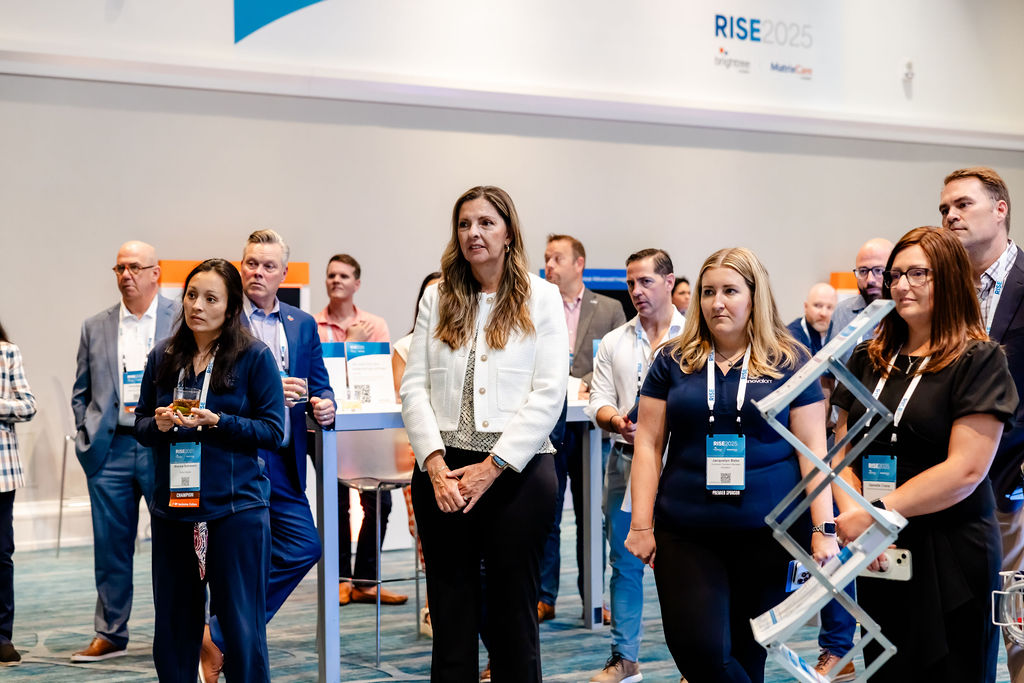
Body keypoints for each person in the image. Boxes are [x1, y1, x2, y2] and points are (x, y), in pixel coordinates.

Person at [625, 247, 839, 683]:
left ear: (754, 296)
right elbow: (647, 444)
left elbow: (813, 450)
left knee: (747, 653)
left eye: (729, 291)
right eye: (708, 292)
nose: (716, 302)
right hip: (686, 530)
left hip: (769, 532)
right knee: (699, 651)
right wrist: (641, 525)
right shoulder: (672, 359)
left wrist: (824, 529)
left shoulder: (790, 360)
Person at [831, 226, 1017, 681]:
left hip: (950, 547)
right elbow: (842, 451)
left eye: (918, 273)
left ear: (949, 278)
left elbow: (966, 470)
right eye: (895, 275)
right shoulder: (867, 357)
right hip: (881, 548)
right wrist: (861, 518)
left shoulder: (979, 359)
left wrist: (875, 515)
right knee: (887, 670)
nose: (901, 285)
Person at [401, 185, 567, 681]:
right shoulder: (437, 296)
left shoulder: (542, 297)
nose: (474, 233)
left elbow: (549, 394)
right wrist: (435, 466)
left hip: (517, 473)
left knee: (513, 620)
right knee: (450, 616)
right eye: (464, 224)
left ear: (508, 232)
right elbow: (414, 387)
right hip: (444, 476)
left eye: (486, 223)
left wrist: (491, 468)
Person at [135, 258, 285, 682]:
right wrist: (159, 424)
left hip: (235, 509)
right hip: (173, 509)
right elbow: (141, 424)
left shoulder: (254, 357)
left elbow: (275, 431)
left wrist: (219, 421)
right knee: (173, 629)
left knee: (241, 629)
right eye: (191, 295)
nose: (197, 305)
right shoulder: (163, 356)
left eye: (210, 298)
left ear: (232, 306)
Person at [195, 230, 335, 681]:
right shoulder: (222, 317)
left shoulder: (302, 323)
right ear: (241, 266)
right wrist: (269, 390)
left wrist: (323, 402)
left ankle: (218, 635)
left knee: (304, 546)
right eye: (251, 263)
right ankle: (232, 646)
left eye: (268, 266)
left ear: (283, 274)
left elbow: (320, 382)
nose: (258, 272)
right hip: (235, 455)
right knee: (234, 564)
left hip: (283, 458)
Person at [70, 241, 179, 662]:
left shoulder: (180, 317)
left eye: (134, 267)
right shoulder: (94, 325)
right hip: (110, 447)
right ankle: (111, 633)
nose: (126, 275)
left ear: (156, 273)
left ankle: (186, 630)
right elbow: (81, 392)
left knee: (175, 542)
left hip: (162, 444)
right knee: (111, 546)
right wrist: (86, 436)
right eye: (119, 268)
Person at [940, 166, 1024, 682]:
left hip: (1016, 481)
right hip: (952, 484)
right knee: (964, 620)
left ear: (1000, 209)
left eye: (962, 204)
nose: (950, 215)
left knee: (1019, 623)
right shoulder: (944, 292)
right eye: (944, 209)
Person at [586, 249, 684, 683]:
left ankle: (694, 664)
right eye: (630, 283)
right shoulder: (615, 341)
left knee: (684, 564)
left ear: (669, 281)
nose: (636, 291)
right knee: (624, 562)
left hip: (681, 465)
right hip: (625, 462)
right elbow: (598, 399)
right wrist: (616, 422)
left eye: (646, 281)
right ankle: (625, 659)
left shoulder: (693, 337)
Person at [539, 233, 625, 623]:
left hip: (593, 427)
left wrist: (583, 381)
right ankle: (544, 597)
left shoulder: (609, 309)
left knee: (594, 517)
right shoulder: (535, 307)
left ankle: (593, 597)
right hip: (548, 425)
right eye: (546, 259)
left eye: (557, 258)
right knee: (548, 514)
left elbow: (616, 361)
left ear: (579, 264)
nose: (549, 266)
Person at [315, 253, 406, 605]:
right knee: (336, 504)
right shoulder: (312, 325)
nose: (336, 280)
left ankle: (366, 581)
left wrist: (353, 344)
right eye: (331, 275)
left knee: (380, 502)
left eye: (343, 275)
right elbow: (322, 377)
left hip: (367, 430)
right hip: (327, 426)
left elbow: (376, 378)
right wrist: (350, 342)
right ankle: (340, 580)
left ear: (357, 283)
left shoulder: (375, 325)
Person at [391, 270, 442, 637]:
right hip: (418, 448)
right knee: (425, 531)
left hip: (463, 448)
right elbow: (403, 398)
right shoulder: (405, 346)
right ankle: (432, 604)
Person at [0, 320, 36, 665]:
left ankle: (1, 636)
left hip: (1, 474)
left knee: (0, 555)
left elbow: (27, 405)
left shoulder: (6, 354)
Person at [826, 238, 894, 364]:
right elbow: (828, 369)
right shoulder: (842, 312)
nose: (870, 280)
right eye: (863, 271)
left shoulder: (906, 313)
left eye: (879, 270)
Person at [787, 282, 836, 356]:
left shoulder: (836, 335)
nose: (823, 313)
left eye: (829, 307)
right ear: (806, 307)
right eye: (818, 306)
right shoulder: (791, 339)